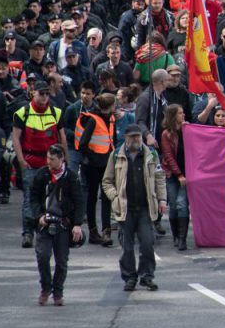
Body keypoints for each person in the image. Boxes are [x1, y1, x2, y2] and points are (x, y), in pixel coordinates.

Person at [102, 124, 167, 291]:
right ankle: (130, 277)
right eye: (132, 137)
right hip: (125, 208)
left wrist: (162, 200)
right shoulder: (116, 155)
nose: (136, 140)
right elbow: (107, 181)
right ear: (126, 138)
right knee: (127, 247)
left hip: (145, 207)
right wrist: (115, 197)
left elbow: (159, 177)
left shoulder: (151, 154)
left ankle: (147, 276)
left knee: (147, 244)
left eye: (138, 136)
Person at [13, 80, 68, 248]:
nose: (44, 97)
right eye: (41, 93)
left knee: (52, 197)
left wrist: (64, 159)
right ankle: (28, 233)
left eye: (46, 93)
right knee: (30, 198)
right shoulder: (22, 113)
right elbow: (16, 138)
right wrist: (21, 160)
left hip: (51, 163)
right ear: (32, 93)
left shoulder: (56, 112)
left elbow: (62, 137)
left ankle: (47, 229)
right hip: (31, 162)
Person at [30, 145, 84, 306]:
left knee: (61, 261)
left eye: (52, 159)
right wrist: (39, 216)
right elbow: (32, 198)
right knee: (43, 256)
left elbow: (79, 202)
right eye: (47, 158)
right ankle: (46, 288)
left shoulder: (71, 177)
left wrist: (77, 224)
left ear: (62, 159)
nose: (49, 162)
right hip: (44, 224)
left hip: (63, 225)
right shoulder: (42, 174)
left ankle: (58, 292)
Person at [75, 92, 116, 247]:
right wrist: (93, 158)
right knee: (92, 197)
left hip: (106, 163)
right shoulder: (93, 120)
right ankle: (93, 232)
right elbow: (82, 144)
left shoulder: (111, 119)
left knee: (106, 198)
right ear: (110, 106)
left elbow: (111, 140)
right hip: (92, 165)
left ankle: (106, 231)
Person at [160, 104, 190, 250]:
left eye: (183, 112)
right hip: (173, 174)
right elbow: (168, 156)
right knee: (173, 204)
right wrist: (178, 175)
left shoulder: (187, 130)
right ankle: (176, 236)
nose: (183, 115)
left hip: (187, 173)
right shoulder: (167, 134)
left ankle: (183, 239)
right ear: (173, 116)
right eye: (180, 113)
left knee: (181, 203)